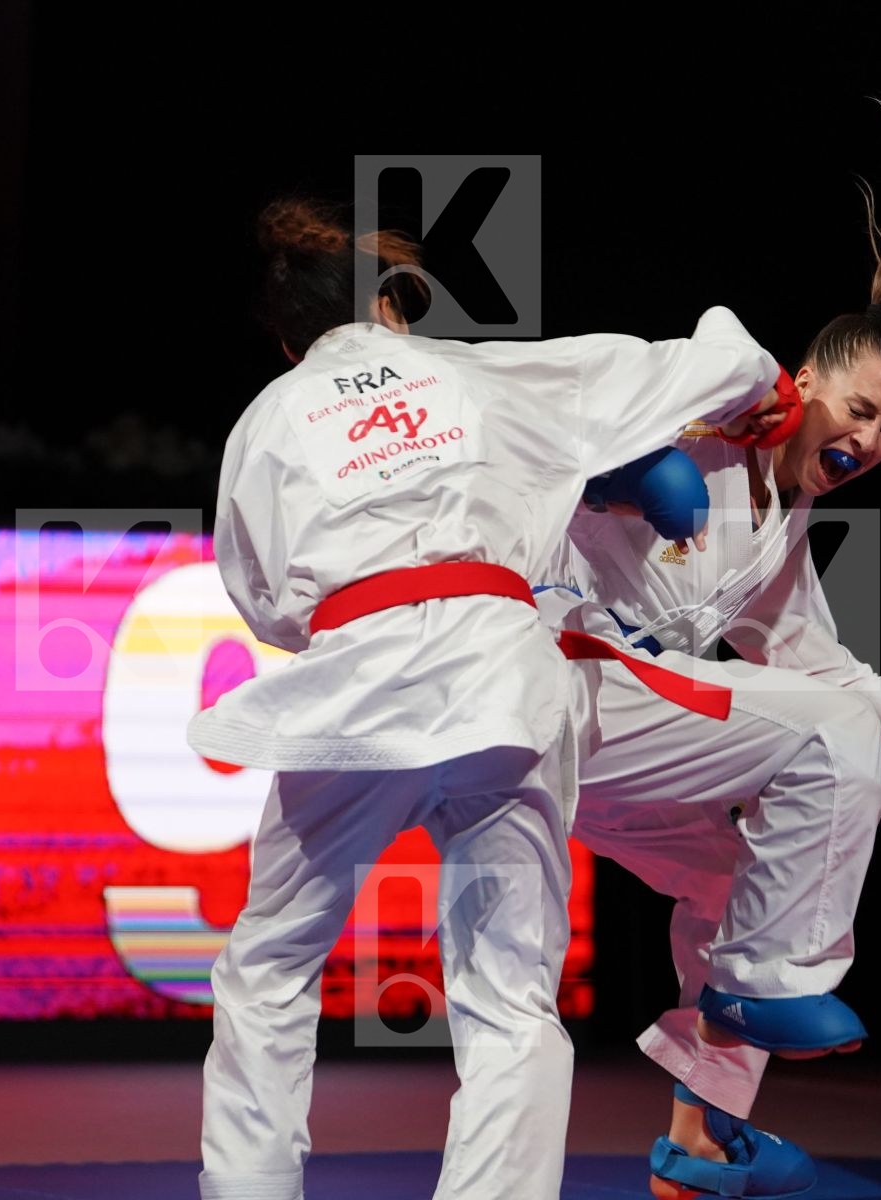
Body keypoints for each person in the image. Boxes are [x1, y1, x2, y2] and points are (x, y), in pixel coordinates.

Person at [188, 196, 790, 1200]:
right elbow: (662, 367)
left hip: (359, 695)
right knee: (509, 998)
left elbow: (264, 603)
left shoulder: (268, 419)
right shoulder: (473, 372)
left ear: (291, 337)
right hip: (505, 689)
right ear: (388, 306)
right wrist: (756, 382)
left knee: (271, 962)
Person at [535, 67, 881, 1199]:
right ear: (801, 387)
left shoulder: (785, 526)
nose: (876, 438)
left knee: (746, 877)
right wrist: (668, 443)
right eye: (860, 410)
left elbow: (814, 663)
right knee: (819, 760)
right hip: (546, 678)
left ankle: (698, 1143)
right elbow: (577, 446)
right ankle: (767, 978)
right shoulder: (714, 416)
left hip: (611, 740)